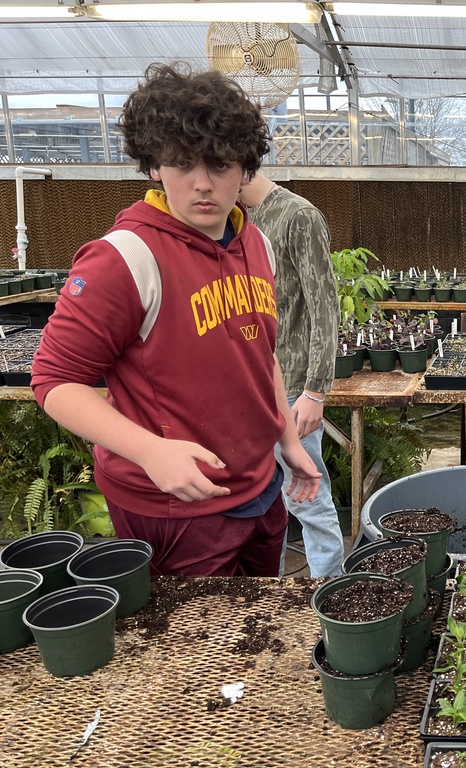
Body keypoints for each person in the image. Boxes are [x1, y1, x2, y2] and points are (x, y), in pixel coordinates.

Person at [30, 63, 320, 576]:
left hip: (260, 487)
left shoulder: (257, 245)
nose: (203, 185)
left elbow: (260, 356)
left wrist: (288, 442)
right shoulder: (126, 258)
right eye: (183, 164)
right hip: (177, 505)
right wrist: (150, 451)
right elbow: (54, 382)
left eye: (221, 165)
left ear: (246, 170)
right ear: (154, 167)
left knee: (259, 635)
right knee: (199, 652)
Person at [239, 172, 345, 578]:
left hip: (293, 390)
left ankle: (329, 593)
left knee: (307, 499)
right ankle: (278, 600)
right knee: (267, 502)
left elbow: (324, 308)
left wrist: (316, 391)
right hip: (255, 386)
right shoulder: (240, 221)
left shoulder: (298, 216)